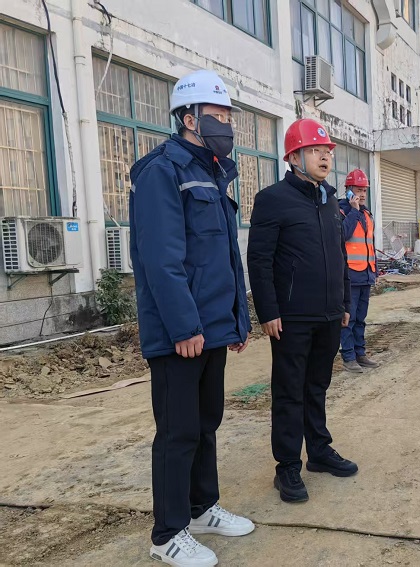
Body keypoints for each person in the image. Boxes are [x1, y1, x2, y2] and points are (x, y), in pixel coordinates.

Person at [130, 69, 254, 567]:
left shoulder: (216, 172)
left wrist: (236, 321)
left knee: (206, 424)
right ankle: (167, 534)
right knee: (178, 432)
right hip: (180, 334)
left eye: (228, 116)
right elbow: (162, 259)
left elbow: (225, 258)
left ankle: (202, 509)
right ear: (188, 118)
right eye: (217, 115)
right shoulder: (162, 171)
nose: (226, 124)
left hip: (212, 329)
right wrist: (184, 327)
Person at [247, 118, 358, 505]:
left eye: (327, 151)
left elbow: (340, 255)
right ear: (294, 157)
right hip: (291, 317)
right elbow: (259, 260)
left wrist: (344, 302)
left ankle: (320, 452)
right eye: (315, 150)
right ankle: (288, 466)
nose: (325, 157)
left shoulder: (329, 201)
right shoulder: (272, 199)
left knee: (317, 387)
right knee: (289, 392)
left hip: (329, 314)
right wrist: (268, 311)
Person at [338, 169, 380, 373]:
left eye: (364, 190)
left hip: (366, 274)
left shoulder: (367, 214)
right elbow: (342, 235)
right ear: (348, 190)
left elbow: (369, 244)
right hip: (349, 276)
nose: (362, 194)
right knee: (349, 318)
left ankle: (360, 353)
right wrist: (353, 210)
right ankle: (348, 357)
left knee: (361, 318)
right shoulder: (341, 211)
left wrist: (375, 270)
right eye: (358, 190)